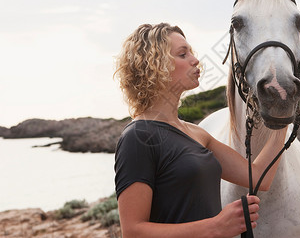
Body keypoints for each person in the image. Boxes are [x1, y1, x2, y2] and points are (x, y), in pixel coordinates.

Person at [113, 23, 286, 238]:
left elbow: (259, 177)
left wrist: (282, 119)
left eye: (191, 52)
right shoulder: (138, 137)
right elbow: (133, 231)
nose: (195, 60)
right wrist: (216, 227)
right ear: (154, 65)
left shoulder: (197, 134)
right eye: (183, 54)